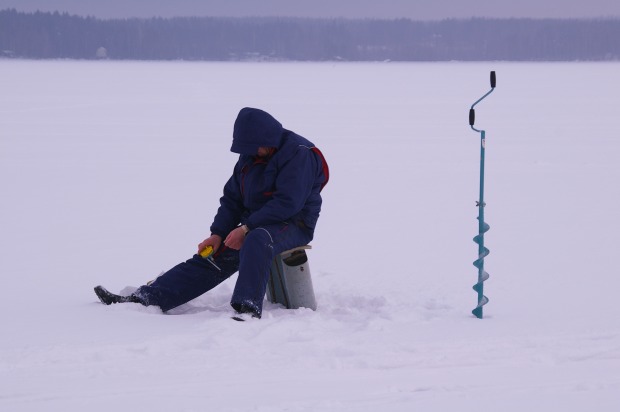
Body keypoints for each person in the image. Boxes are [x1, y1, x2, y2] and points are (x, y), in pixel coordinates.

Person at [94, 107, 329, 319]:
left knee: (258, 238)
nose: (248, 152)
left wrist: (246, 229)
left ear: (266, 139)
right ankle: (145, 299)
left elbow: (288, 203)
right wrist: (217, 233)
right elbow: (232, 198)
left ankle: (247, 308)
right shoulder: (252, 155)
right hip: (257, 223)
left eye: (251, 147)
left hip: (294, 223)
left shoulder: (299, 153)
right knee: (212, 256)